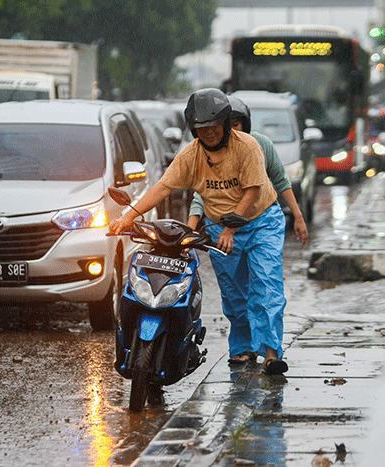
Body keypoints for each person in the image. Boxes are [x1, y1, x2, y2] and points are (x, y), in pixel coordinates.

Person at [110, 89, 288, 375]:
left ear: (227, 123)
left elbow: (253, 191)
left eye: (214, 127)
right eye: (202, 128)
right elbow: (163, 187)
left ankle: (270, 353)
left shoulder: (249, 146)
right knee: (233, 292)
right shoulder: (191, 155)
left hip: (260, 220)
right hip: (219, 226)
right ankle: (242, 347)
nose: (209, 134)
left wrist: (232, 227)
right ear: (193, 129)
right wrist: (129, 215)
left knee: (265, 286)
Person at [187, 95, 308, 246]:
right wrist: (189, 233)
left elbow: (281, 181)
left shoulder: (260, 144)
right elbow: (201, 195)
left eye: (235, 124)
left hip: (260, 222)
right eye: (224, 125)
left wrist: (298, 216)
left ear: (245, 125)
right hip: (224, 225)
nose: (230, 131)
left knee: (266, 268)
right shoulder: (208, 151)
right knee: (229, 269)